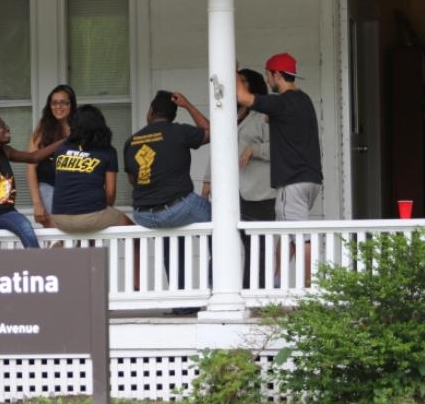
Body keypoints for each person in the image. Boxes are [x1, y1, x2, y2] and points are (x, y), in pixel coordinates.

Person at [236, 53, 322, 283]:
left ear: (277, 75)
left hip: (292, 181)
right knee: (288, 236)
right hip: (312, 180)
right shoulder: (304, 100)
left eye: (268, 75)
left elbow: (242, 97)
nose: (267, 81)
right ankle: (277, 283)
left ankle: (308, 291)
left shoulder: (282, 102)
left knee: (299, 237)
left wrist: (231, 71)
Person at [124, 90, 211, 298]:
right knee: (223, 223)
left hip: (143, 214)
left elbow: (132, 180)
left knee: (172, 241)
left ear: (150, 112)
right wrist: (188, 105)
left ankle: (181, 301)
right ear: (173, 115)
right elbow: (212, 130)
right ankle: (216, 284)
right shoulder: (178, 131)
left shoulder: (132, 141)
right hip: (177, 207)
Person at [203, 68, 275, 288]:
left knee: (259, 246)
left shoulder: (263, 116)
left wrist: (254, 149)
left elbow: (279, 147)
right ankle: (229, 290)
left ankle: (256, 293)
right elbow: (218, 150)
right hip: (230, 193)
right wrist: (208, 181)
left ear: (251, 87)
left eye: (241, 82)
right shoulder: (228, 115)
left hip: (258, 192)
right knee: (230, 242)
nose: (236, 86)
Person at [0, 115, 62, 249]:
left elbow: (34, 157)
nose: (7, 128)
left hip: (7, 212)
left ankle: (40, 267)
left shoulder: (6, 151)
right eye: (1, 126)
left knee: (27, 230)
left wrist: (64, 141)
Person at [50, 105, 131, 233]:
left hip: (59, 218)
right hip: (91, 217)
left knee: (90, 227)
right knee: (131, 230)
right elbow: (110, 194)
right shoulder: (107, 151)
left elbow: (61, 181)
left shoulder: (61, 149)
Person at [27, 85, 77, 227]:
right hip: (48, 187)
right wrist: (37, 204)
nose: (58, 107)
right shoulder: (43, 128)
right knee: (56, 233)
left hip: (75, 189)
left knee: (78, 235)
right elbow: (31, 168)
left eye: (63, 102)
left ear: (71, 104)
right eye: (54, 103)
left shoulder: (80, 128)